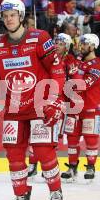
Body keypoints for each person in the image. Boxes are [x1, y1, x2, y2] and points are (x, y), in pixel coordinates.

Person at [0, 0, 65, 200]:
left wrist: (54, 100)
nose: (9, 19)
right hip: (13, 109)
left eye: (13, 15)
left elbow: (57, 70)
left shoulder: (40, 38)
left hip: (40, 106)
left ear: (21, 16)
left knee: (43, 152)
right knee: (14, 156)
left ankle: (55, 192)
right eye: (5, 16)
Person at [28, 33, 76, 178]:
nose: (56, 46)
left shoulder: (70, 61)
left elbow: (74, 83)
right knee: (35, 133)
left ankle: (48, 166)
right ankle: (33, 165)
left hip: (59, 103)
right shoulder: (47, 57)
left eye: (61, 44)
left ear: (67, 47)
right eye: (56, 43)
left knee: (52, 137)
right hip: (42, 100)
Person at [61, 34, 100, 182]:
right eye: (80, 44)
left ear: (93, 46)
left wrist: (73, 74)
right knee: (72, 139)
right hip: (74, 108)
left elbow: (82, 85)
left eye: (85, 44)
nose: (81, 47)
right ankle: (72, 167)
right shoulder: (77, 62)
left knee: (91, 139)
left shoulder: (97, 65)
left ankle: (91, 167)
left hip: (91, 108)